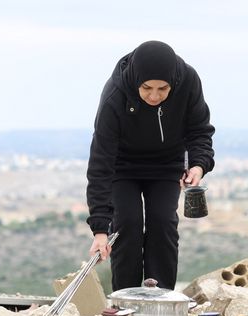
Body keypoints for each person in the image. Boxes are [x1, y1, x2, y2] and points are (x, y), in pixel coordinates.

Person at [85, 40, 215, 291]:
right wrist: (100, 229)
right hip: (122, 168)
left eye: (162, 89)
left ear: (173, 83)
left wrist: (199, 165)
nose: (154, 96)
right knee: (127, 225)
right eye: (146, 88)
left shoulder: (188, 81)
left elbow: (199, 130)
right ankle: (126, 300)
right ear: (136, 81)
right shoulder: (115, 94)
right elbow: (101, 162)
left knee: (163, 223)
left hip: (166, 166)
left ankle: (161, 299)